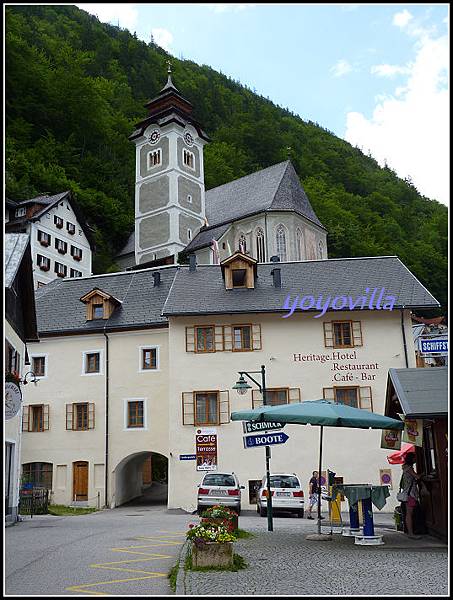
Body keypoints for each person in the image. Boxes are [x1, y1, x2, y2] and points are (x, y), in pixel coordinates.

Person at [400, 452, 423, 539]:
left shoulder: (405, 468)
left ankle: (410, 532)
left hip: (408, 493)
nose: (416, 460)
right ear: (412, 459)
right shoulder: (409, 468)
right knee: (409, 513)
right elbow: (417, 477)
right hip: (411, 494)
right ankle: (410, 533)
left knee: (408, 513)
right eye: (414, 458)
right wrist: (422, 474)